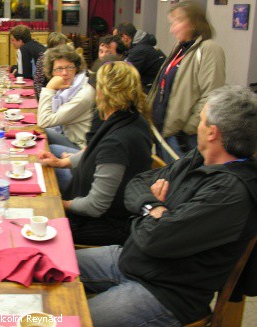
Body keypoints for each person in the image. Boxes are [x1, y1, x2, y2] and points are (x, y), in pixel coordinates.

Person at [76, 85, 257, 326]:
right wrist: (153, 207)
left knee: (69, 318)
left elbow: (155, 238)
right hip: (132, 259)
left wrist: (147, 210)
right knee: (49, 263)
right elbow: (138, 182)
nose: (198, 127)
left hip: (165, 293)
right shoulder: (199, 159)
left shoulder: (231, 193)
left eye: (201, 121)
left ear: (212, 133)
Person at [39, 61, 152, 246]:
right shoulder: (131, 118)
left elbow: (95, 206)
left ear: (102, 92)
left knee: (37, 222)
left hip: (107, 224)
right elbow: (95, 153)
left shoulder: (117, 141)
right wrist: (61, 163)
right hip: (113, 211)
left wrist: (61, 205)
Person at [148, 1, 226, 162]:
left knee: (182, 182)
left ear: (193, 24)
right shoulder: (180, 48)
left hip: (182, 138)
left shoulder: (209, 49)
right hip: (165, 132)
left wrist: (188, 128)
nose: (172, 29)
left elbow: (212, 95)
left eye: (177, 22)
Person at [37, 45, 95, 150]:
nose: (64, 73)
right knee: (36, 132)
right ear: (52, 72)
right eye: (59, 69)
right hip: (68, 136)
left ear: (76, 69)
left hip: (81, 148)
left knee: (50, 148)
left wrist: (49, 88)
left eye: (69, 67)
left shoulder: (83, 94)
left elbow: (44, 121)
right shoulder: (69, 89)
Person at [116, 22, 166, 93]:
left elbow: (124, 75)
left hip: (152, 91)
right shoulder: (144, 44)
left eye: (119, 39)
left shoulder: (139, 51)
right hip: (156, 87)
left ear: (125, 37)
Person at [33, 32, 68, 99]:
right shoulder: (43, 59)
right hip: (49, 95)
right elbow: (38, 83)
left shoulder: (67, 59)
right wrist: (43, 99)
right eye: (59, 47)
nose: (62, 50)